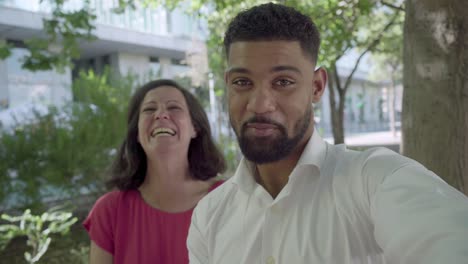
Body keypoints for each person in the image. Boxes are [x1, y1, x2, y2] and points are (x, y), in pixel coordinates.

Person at [187, 3, 468, 264]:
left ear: (317, 87)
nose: (260, 104)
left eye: (283, 81)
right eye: (242, 82)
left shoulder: (376, 180)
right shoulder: (210, 215)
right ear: (228, 85)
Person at [83, 79, 226, 264]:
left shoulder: (228, 200)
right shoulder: (110, 211)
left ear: (194, 128)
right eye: (149, 109)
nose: (161, 114)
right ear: (136, 132)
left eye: (174, 107)